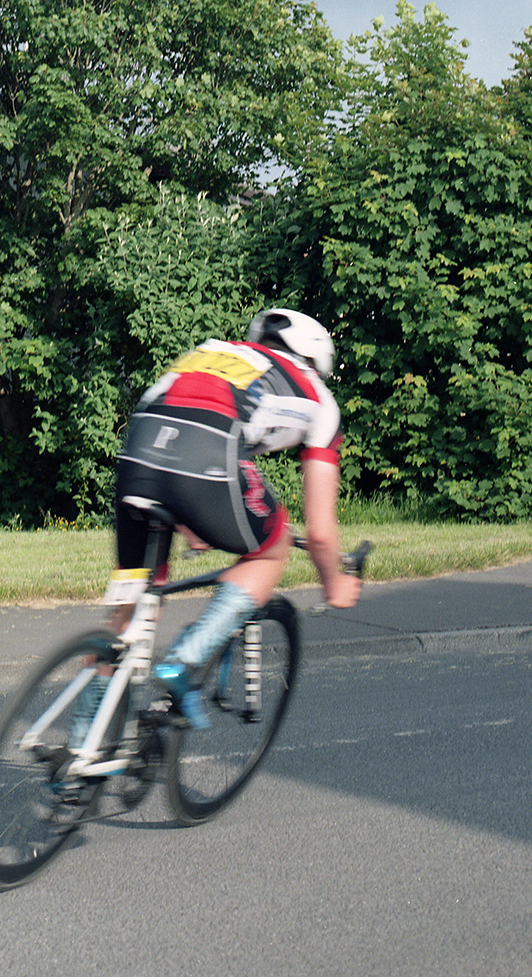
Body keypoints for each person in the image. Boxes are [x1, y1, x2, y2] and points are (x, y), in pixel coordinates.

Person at [103, 307, 359, 731]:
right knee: (273, 550)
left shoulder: (211, 351)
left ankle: (83, 747)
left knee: (131, 605)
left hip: (139, 454)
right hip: (209, 455)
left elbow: (158, 411)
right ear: (315, 360)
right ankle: (185, 659)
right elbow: (320, 533)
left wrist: (185, 511)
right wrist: (336, 583)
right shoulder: (318, 396)